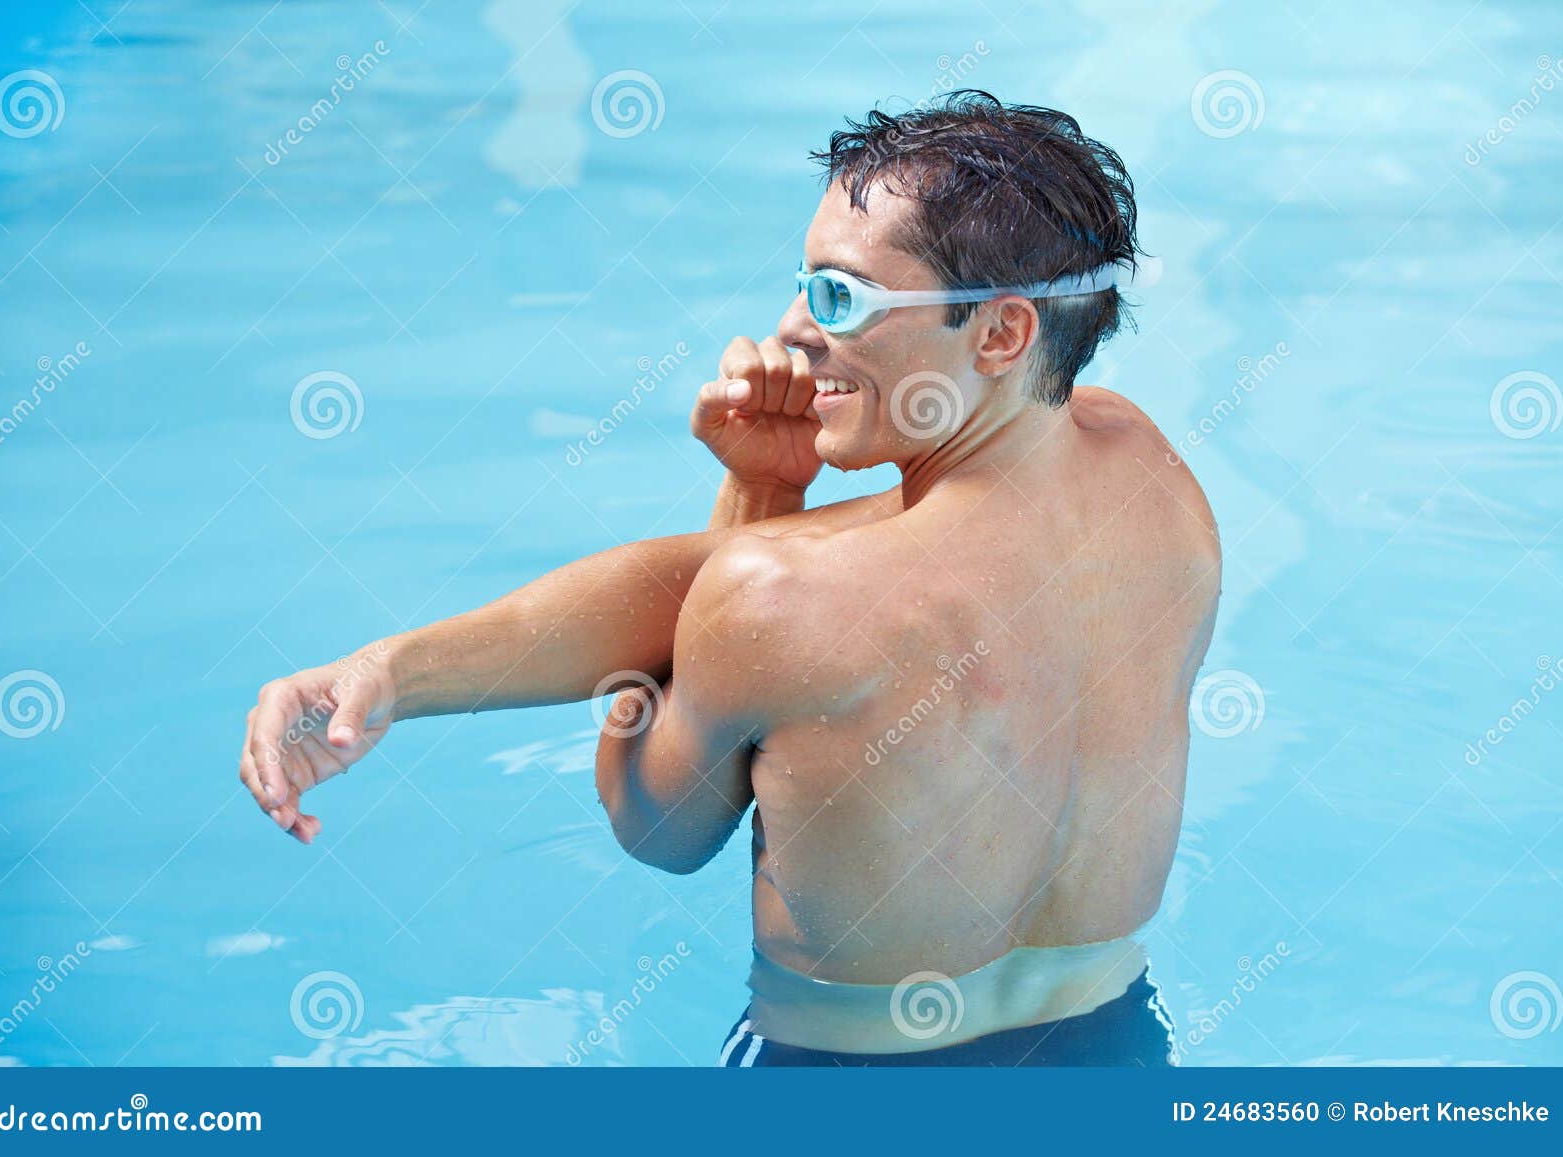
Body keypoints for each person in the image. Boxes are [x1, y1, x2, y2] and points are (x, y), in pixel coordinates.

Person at [237, 91, 1219, 1066]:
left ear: (1001, 334)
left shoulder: (777, 597)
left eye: (841, 297)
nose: (793, 328)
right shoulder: (1147, 470)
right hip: (1116, 1050)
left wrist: (759, 490)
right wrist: (392, 671)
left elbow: (657, 829)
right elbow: (742, 578)